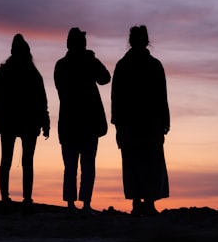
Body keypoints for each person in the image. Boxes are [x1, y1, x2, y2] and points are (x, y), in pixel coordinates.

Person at [111, 25, 170, 216]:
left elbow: (116, 97)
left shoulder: (124, 65)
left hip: (133, 123)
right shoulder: (153, 65)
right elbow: (162, 96)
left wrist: (117, 122)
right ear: (145, 41)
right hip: (147, 123)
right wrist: (165, 120)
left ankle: (139, 202)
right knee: (148, 162)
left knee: (134, 162)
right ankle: (147, 202)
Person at [0, 34, 50, 211]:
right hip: (22, 123)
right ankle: (24, 198)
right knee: (24, 161)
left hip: (14, 123)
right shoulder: (31, 74)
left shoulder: (5, 73)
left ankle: (8, 197)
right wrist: (44, 123)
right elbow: (41, 101)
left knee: (9, 160)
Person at [54, 27, 111, 213]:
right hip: (87, 123)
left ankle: (72, 204)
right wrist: (91, 59)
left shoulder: (61, 65)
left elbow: (104, 78)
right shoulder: (87, 62)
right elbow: (105, 77)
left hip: (70, 122)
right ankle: (85, 204)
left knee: (71, 166)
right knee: (86, 166)